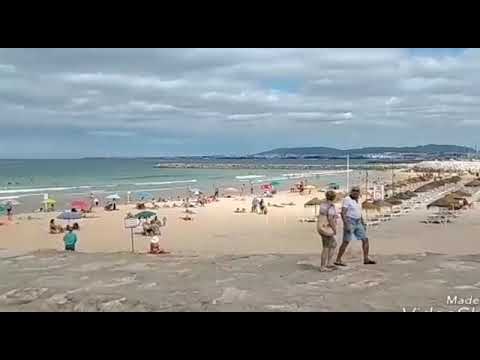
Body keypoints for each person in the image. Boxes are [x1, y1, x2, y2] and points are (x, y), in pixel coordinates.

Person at [335, 186, 376, 266]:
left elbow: (359, 212)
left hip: (358, 221)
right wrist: (346, 224)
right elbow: (343, 213)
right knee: (346, 241)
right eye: (354, 191)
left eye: (357, 191)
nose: (356, 192)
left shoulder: (359, 200)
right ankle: (338, 259)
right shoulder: (347, 199)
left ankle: (366, 258)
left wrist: (363, 222)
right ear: (351, 192)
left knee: (365, 239)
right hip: (350, 221)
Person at [317, 191, 338, 272]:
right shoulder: (331, 206)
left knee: (333, 244)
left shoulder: (323, 204)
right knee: (326, 246)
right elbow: (330, 219)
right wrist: (334, 229)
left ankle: (328, 263)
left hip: (320, 226)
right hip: (326, 228)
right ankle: (323, 266)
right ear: (334, 197)